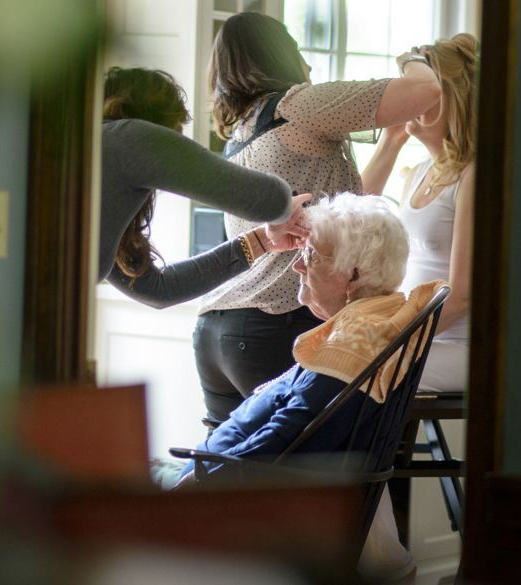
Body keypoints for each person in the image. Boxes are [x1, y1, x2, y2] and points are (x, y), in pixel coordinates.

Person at [167, 193, 446, 584]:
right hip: (233, 484)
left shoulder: (353, 344)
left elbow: (284, 437)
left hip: (235, 505)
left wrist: (203, 479)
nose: (297, 265)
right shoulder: (375, 322)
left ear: (353, 274)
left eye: (312, 255)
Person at [193, 12, 443, 427]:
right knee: (301, 480)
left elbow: (347, 209)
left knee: (231, 478)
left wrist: (393, 143)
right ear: (279, 56)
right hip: (278, 322)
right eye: (295, 49)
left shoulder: (243, 130)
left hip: (218, 331)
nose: (306, 63)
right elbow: (426, 90)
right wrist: (415, 58)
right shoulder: (298, 105)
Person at [100, 66, 310, 309]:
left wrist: (262, 241)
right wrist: (287, 207)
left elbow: (158, 289)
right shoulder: (129, 138)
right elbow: (267, 199)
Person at [362, 33, 477, 392]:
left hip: (462, 347)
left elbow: (461, 296)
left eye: (419, 90)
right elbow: (353, 214)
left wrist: (394, 335)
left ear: (449, 99)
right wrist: (391, 141)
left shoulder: (474, 175)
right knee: (335, 356)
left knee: (354, 367)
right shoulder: (417, 173)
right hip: (420, 338)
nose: (407, 98)